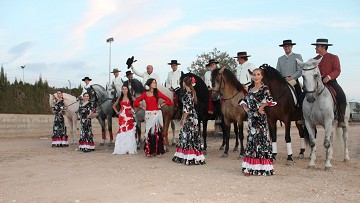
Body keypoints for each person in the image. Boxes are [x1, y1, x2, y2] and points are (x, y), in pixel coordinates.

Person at [239, 68, 276, 176]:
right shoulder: (250, 89)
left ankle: (262, 167)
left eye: (258, 74)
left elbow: (269, 100)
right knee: (252, 140)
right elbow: (244, 101)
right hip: (251, 119)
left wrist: (262, 107)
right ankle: (251, 166)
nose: (256, 76)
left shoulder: (265, 89)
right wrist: (245, 109)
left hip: (260, 119)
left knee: (261, 141)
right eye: (254, 74)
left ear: (262, 76)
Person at [311, 38, 347, 127]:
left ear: (323, 47)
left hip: (330, 81)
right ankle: (304, 117)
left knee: (341, 95)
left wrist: (329, 77)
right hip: (317, 83)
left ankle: (341, 118)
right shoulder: (314, 59)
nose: (315, 48)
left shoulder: (334, 57)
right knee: (304, 94)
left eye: (317, 46)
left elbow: (337, 70)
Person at [134, 78, 172, 157]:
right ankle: (150, 151)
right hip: (148, 115)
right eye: (153, 83)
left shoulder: (157, 93)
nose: (155, 84)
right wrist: (142, 107)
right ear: (149, 84)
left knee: (157, 133)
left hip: (156, 114)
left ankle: (158, 151)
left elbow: (168, 100)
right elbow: (136, 102)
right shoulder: (145, 94)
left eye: (155, 82)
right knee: (149, 133)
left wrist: (161, 105)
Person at [172, 76, 206, 165]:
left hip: (188, 117)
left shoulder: (187, 94)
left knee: (187, 135)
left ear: (184, 83)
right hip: (193, 116)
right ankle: (194, 155)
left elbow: (187, 109)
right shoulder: (192, 93)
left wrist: (183, 119)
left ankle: (188, 156)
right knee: (193, 135)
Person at [112, 85, 137, 155]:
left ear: (128, 90)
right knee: (122, 132)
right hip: (122, 117)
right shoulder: (120, 98)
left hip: (129, 117)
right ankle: (122, 149)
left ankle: (129, 148)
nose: (124, 90)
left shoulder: (131, 97)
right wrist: (117, 112)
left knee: (129, 132)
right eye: (123, 89)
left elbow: (139, 104)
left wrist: (134, 112)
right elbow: (113, 106)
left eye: (126, 89)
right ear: (122, 90)